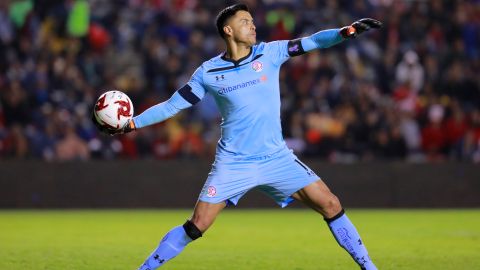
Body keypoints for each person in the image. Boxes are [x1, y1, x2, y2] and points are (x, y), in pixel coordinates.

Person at [93, 4, 382, 270]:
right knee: (197, 225)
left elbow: (314, 41)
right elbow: (172, 105)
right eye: (245, 22)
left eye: (253, 21)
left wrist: (346, 32)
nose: (253, 26)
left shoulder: (270, 52)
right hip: (234, 163)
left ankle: (369, 267)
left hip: (276, 157)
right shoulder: (208, 72)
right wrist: (131, 124)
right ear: (228, 31)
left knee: (330, 204)